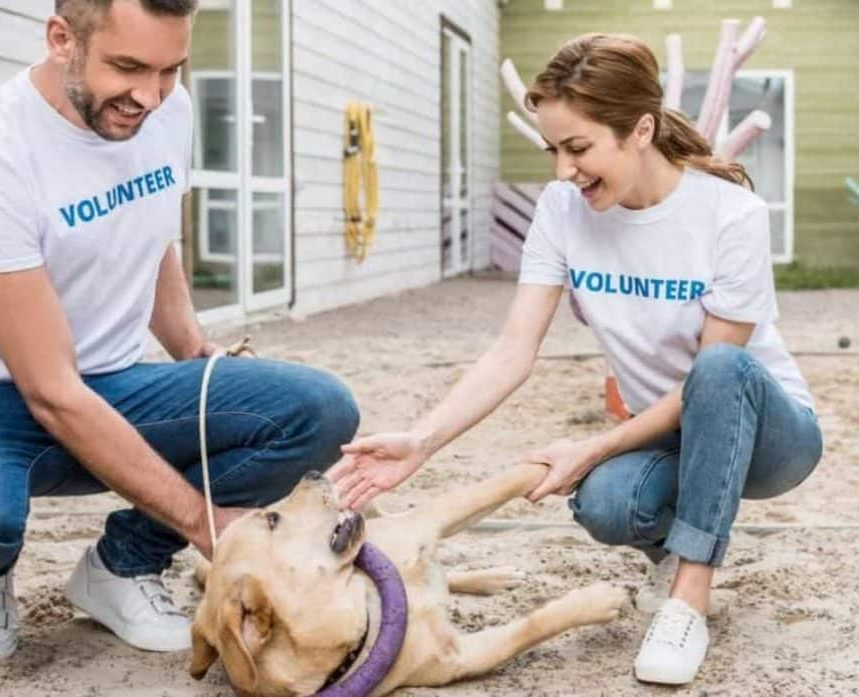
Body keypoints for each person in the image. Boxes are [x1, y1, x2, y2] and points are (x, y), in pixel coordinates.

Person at [327, 33, 822, 686]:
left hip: (769, 433)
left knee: (718, 371)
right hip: (669, 431)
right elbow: (512, 349)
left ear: (640, 129)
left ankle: (689, 598)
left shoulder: (731, 215)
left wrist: (592, 444)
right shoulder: (562, 210)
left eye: (579, 148)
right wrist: (422, 440)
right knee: (604, 502)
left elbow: (716, 373)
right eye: (553, 149)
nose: (563, 170)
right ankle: (677, 553)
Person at [0, 0, 358, 666]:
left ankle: (121, 564)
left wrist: (195, 353)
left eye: (169, 69)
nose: (149, 95)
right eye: (127, 67)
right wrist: (204, 522)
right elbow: (50, 390)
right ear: (60, 39)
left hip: (113, 380)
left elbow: (151, 234)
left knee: (318, 411)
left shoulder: (169, 109)